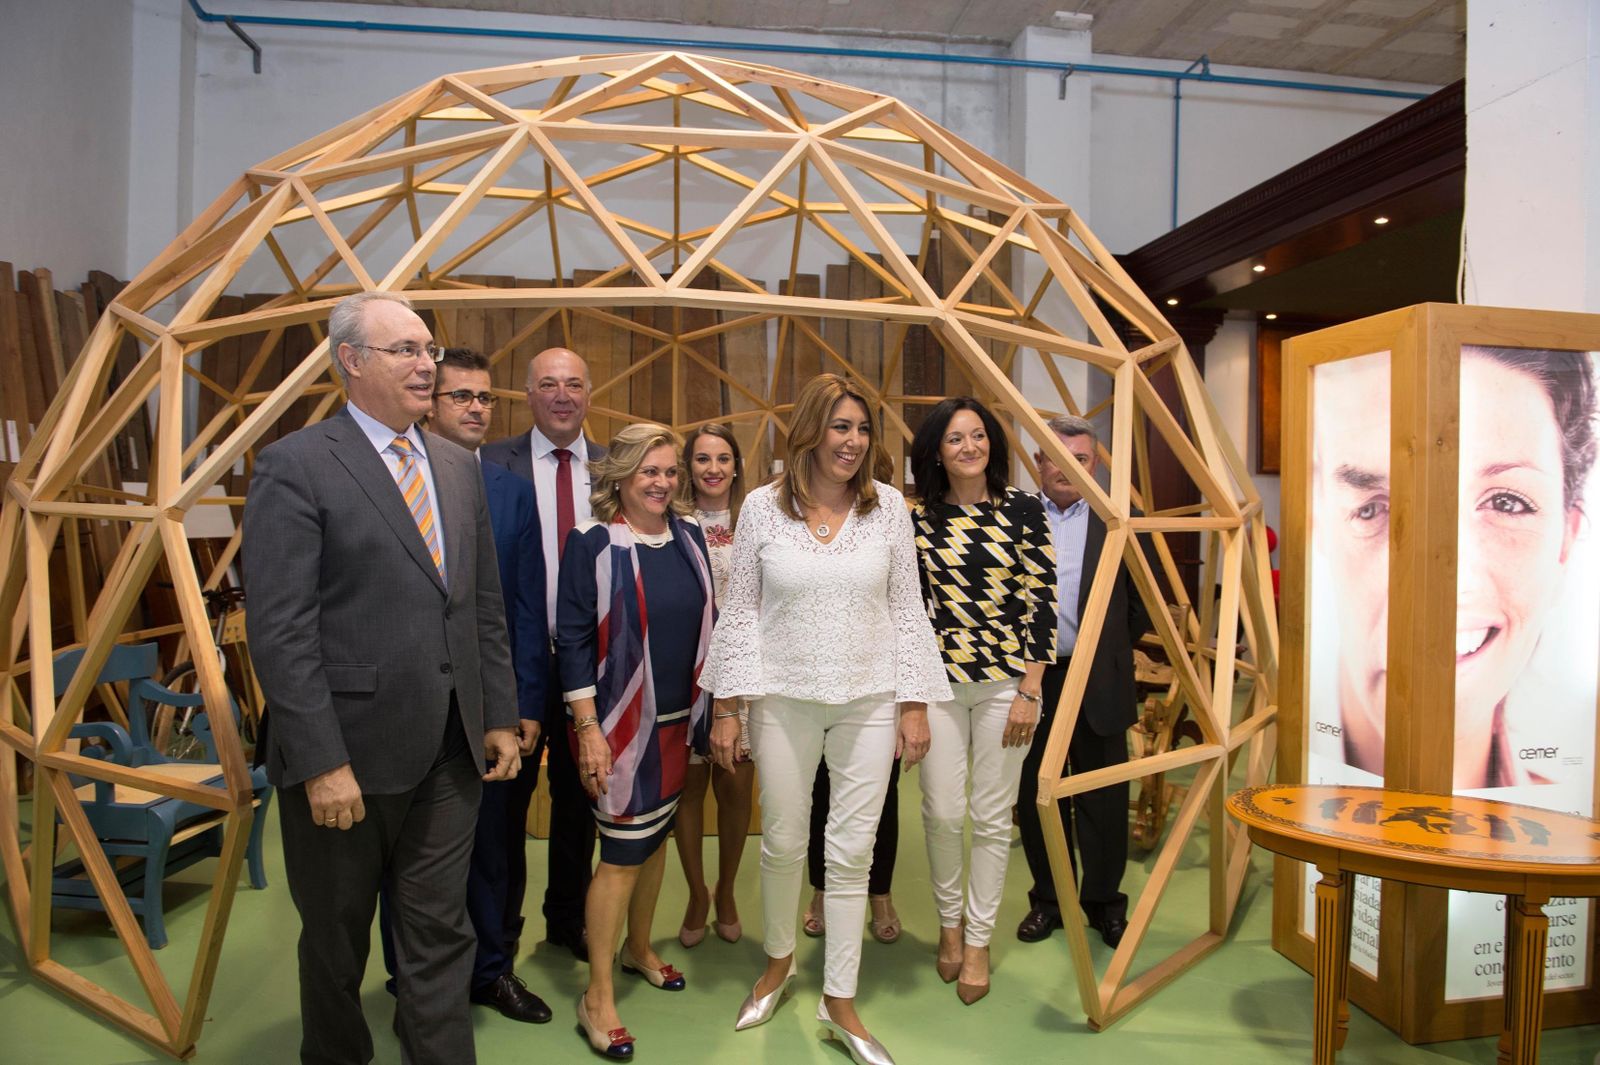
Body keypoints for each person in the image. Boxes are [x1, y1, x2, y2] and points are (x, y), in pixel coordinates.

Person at [244, 291, 522, 1065]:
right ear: (352, 361)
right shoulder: (297, 465)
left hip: (449, 752)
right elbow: (281, 629)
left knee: (440, 933)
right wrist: (323, 761)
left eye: (428, 348)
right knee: (336, 945)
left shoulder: (458, 467)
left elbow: (482, 604)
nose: (427, 363)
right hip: (346, 762)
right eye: (406, 349)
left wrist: (498, 711)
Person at [702, 373, 950, 1065]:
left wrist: (913, 703)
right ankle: (778, 963)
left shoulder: (889, 507)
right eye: (841, 427)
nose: (854, 441)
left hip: (870, 698)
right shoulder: (760, 506)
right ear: (809, 431)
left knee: (851, 852)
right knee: (782, 841)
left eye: (863, 428)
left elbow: (907, 607)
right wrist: (728, 705)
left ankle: (840, 998)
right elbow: (742, 608)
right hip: (782, 696)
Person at [1312, 345, 1597, 788]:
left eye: (1507, 503)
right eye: (1373, 508)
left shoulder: (1562, 814)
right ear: (1318, 525)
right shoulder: (1304, 759)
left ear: (1565, 544)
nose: (1442, 586)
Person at [375, 348, 553, 1024]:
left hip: (494, 709)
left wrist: (524, 701)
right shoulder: (391, 479)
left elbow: (526, 605)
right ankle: (413, 983)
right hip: (414, 703)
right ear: (430, 402)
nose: (475, 407)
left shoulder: (509, 490)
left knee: (497, 847)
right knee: (413, 855)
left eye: (484, 397)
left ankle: (492, 969)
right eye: (459, 396)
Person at [556, 422, 716, 1059]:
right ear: (619, 475)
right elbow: (570, 639)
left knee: (653, 847)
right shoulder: (592, 542)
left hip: (678, 724)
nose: (663, 482)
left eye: (670, 471)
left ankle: (639, 949)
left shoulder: (689, 536)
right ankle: (596, 996)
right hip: (617, 731)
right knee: (621, 857)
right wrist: (588, 731)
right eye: (649, 471)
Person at [909, 397, 1056, 1003]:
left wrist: (1031, 688)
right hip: (938, 685)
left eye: (977, 436)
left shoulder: (1023, 508)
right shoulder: (917, 518)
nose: (968, 447)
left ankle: (977, 940)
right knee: (943, 812)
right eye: (954, 439)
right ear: (936, 452)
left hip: (1006, 687)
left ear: (991, 442)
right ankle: (948, 926)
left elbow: (1042, 600)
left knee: (992, 819)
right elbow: (912, 611)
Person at [481, 346, 606, 960]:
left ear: (589, 395)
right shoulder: (488, 463)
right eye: (548, 384)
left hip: (591, 666)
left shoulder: (613, 471)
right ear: (527, 395)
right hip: (514, 662)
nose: (562, 395)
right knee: (505, 805)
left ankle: (568, 921)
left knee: (581, 800)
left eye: (574, 384)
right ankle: (500, 936)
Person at [1015, 414, 1150, 950]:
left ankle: (1103, 904)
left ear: (1096, 465)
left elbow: (1142, 605)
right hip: (1033, 682)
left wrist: (1106, 648)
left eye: (1082, 458)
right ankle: (1048, 901)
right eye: (1056, 456)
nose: (1068, 467)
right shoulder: (1016, 518)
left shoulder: (1121, 521)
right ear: (1040, 462)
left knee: (1104, 798)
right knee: (1037, 797)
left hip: (1099, 681)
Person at [671, 424, 756, 948]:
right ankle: (696, 891)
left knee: (736, 787)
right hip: (685, 672)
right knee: (690, 788)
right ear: (688, 466)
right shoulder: (672, 521)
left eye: (723, 458)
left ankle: (726, 890)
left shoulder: (758, 518)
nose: (713, 469)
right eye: (702, 459)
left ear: (736, 465)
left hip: (743, 674)